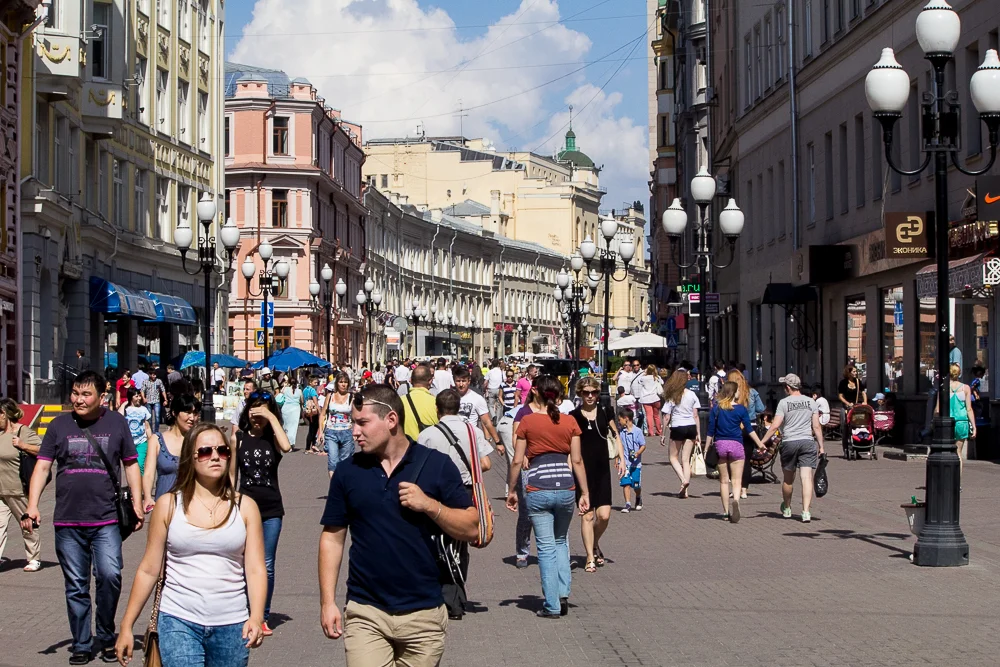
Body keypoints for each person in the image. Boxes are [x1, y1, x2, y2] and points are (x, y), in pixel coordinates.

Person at [319, 385, 479, 665]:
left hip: (424, 613)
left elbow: (471, 528)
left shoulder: (436, 465)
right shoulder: (348, 471)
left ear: (391, 420)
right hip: (366, 611)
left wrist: (430, 506)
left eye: (362, 423)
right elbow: (332, 538)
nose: (354, 431)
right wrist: (327, 602)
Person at [115, 423, 267, 666]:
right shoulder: (168, 505)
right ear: (190, 458)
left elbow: (256, 569)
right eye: (205, 451)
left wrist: (257, 617)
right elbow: (149, 569)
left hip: (232, 623)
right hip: (178, 619)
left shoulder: (245, 507)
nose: (215, 456)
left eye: (222, 450)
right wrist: (126, 625)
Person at [21, 371, 144, 665]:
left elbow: (130, 465)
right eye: (75, 393)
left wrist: (137, 503)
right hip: (68, 521)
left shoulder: (117, 423)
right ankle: (81, 643)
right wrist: (32, 505)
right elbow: (42, 467)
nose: (78, 399)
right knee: (76, 585)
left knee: (110, 576)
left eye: (86, 394)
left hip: (106, 519)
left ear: (102, 397)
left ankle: (106, 635)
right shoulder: (58, 425)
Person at [506, 376, 589, 618]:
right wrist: (584, 492)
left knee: (545, 547)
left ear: (536, 393)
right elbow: (576, 460)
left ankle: (551, 604)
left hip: (538, 487)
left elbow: (517, 460)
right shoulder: (570, 421)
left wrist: (511, 490)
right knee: (561, 540)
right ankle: (563, 594)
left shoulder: (527, 421)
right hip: (566, 486)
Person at [417, 389, 493, 619]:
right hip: (465, 492)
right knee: (459, 545)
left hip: (436, 494)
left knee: (437, 543)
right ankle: (456, 596)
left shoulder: (428, 434)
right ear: (459, 407)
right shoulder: (473, 430)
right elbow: (486, 464)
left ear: (437, 409)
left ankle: (443, 596)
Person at [234, 392, 291, 637]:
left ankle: (262, 616)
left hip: (271, 509)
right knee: (242, 562)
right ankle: (244, 612)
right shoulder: (238, 438)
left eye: (263, 411)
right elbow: (231, 476)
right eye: (254, 410)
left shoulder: (273, 438)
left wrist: (271, 416)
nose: (257, 417)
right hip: (245, 509)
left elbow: (287, 446)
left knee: (266, 564)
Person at [569, 376, 624, 573]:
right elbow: (570, 446)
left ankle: (594, 542)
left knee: (604, 516)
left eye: (594, 392)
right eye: (586, 392)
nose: (590, 396)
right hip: (582, 470)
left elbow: (615, 435)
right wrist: (569, 469)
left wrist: (622, 458)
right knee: (587, 515)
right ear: (580, 394)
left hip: (602, 470)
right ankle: (590, 557)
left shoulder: (605, 411)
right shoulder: (574, 416)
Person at [761, 374, 826, 523]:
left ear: (788, 387)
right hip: (807, 442)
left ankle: (787, 508)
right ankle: (806, 512)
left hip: (789, 442)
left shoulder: (784, 403)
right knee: (806, 478)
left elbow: (775, 426)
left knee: (788, 480)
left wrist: (762, 442)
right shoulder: (811, 402)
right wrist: (821, 446)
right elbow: (816, 426)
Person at [706, 382, 766, 522]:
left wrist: (706, 448)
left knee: (723, 481)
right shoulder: (741, 409)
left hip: (721, 445)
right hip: (737, 445)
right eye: (738, 390)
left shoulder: (717, 408)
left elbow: (710, 430)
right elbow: (749, 429)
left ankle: (725, 512)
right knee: (737, 480)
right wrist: (760, 444)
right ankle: (736, 501)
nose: (740, 392)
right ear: (733, 392)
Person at [0, 399, 43, 572]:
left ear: (4, 414)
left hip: (18, 489)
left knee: (27, 524)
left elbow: (43, 450)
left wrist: (23, 445)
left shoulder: (22, 431)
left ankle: (34, 558)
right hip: (1, 490)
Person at [147, 394, 202, 506]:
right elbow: (149, 473)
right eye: (187, 412)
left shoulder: (199, 440)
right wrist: (147, 497)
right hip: (164, 504)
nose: (192, 418)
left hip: (193, 504)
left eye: (195, 413)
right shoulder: (157, 440)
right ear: (174, 413)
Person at [661, 369, 702, 498]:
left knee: (673, 457)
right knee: (685, 459)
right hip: (691, 426)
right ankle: (685, 490)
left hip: (678, 426)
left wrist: (663, 433)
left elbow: (666, 416)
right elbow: (695, 415)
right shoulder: (692, 394)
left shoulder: (672, 395)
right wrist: (698, 433)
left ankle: (684, 480)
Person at [728, 370, 765, 499]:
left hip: (734, 428)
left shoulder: (730, 394)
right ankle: (744, 490)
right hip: (751, 429)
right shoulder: (752, 392)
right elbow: (761, 408)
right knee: (746, 460)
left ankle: (735, 488)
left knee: (734, 460)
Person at [453, 366, 501, 449]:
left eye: (463, 381)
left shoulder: (477, 398)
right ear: (454, 381)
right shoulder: (449, 396)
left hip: (470, 439)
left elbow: (486, 421)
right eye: (458, 381)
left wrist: (497, 442)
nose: (461, 384)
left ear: (468, 381)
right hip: (453, 439)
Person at [320, 373, 356, 478]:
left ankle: (342, 485)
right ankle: (334, 486)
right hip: (331, 432)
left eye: (345, 382)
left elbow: (357, 416)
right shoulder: (330, 396)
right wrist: (321, 432)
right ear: (337, 384)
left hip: (347, 432)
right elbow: (322, 414)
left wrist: (356, 431)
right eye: (341, 382)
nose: (343, 384)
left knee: (345, 462)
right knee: (333, 461)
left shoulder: (351, 397)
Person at [945, 363, 975, 479]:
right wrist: (974, 426)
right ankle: (957, 481)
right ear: (959, 373)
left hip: (947, 423)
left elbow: (937, 409)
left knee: (946, 452)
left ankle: (947, 479)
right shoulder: (965, 388)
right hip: (962, 422)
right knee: (958, 453)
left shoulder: (944, 388)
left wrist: (933, 422)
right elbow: (969, 409)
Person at [119, 388, 154, 486]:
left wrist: (151, 441)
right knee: (129, 467)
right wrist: (124, 403)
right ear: (131, 397)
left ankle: (140, 487)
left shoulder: (144, 410)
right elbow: (119, 417)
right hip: (128, 443)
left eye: (139, 396)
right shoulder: (126, 410)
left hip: (141, 441)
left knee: (140, 465)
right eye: (136, 396)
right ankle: (132, 488)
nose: (139, 398)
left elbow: (147, 427)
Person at [617, 407, 646, 513]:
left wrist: (637, 453)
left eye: (620, 419)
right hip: (625, 463)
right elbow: (619, 446)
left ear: (626, 419)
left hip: (635, 464)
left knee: (636, 485)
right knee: (626, 483)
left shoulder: (637, 431)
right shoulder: (622, 432)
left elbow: (643, 445)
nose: (619, 422)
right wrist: (617, 459)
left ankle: (638, 497)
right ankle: (628, 504)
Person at [401, 364, 439, 441]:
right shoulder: (437, 403)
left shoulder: (400, 402)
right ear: (430, 381)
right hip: (428, 446)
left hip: (407, 446)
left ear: (410, 380)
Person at [837, 364, 866, 452]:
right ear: (848, 372)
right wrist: (847, 403)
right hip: (846, 407)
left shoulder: (858, 381)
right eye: (854, 371)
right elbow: (840, 396)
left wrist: (865, 402)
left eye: (856, 371)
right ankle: (846, 447)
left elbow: (863, 392)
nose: (855, 373)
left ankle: (859, 446)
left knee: (858, 425)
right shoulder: (843, 383)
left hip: (856, 405)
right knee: (845, 426)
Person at [636, 364, 664, 438]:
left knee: (649, 415)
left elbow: (638, 380)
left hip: (646, 399)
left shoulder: (644, 378)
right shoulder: (657, 377)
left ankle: (651, 431)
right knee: (656, 416)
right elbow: (662, 382)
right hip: (656, 398)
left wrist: (643, 372)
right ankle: (659, 431)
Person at [230, 379, 257, 448]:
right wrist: (233, 442)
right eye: (244, 389)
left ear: (254, 391)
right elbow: (235, 423)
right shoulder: (241, 404)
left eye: (247, 389)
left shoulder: (259, 404)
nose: (245, 391)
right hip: (243, 438)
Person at [279, 376, 303, 452]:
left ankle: (285, 444)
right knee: (293, 428)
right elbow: (302, 401)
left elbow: (280, 394)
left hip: (286, 409)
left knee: (286, 426)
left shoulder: (285, 389)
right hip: (295, 410)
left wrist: (285, 385)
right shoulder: (299, 391)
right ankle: (291, 444)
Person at [303, 377, 321, 453]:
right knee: (313, 429)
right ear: (310, 382)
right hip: (313, 411)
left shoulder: (305, 390)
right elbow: (315, 402)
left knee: (312, 428)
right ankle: (309, 447)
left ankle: (311, 446)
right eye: (315, 382)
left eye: (317, 383)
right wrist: (320, 411)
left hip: (307, 411)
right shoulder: (312, 390)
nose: (316, 384)